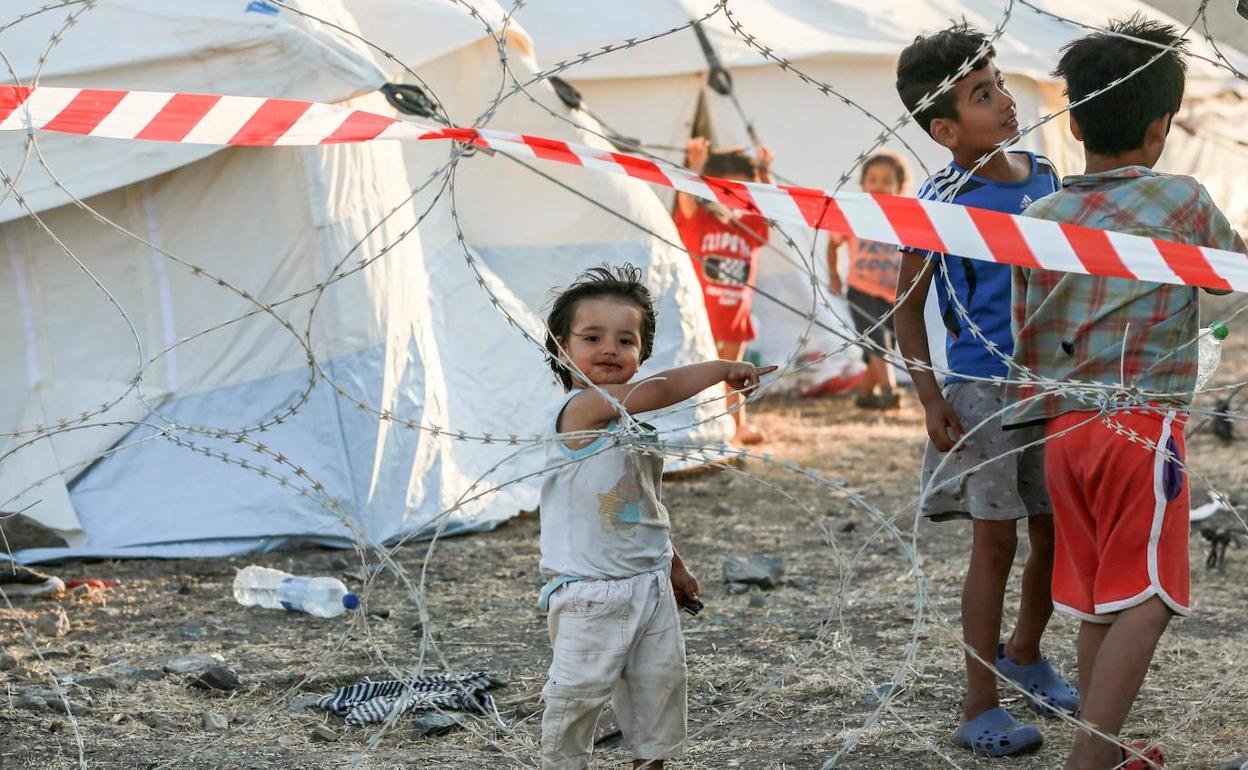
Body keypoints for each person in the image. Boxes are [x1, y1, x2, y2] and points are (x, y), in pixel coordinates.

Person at [1006, 17, 1246, 770]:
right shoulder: (1181, 201)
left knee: (1099, 598)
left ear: (1073, 123)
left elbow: (1024, 324)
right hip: (1139, 427)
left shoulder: (1039, 217)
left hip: (1062, 430)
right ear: (1161, 126)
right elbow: (1230, 274)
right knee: (1149, 597)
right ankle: (1089, 757)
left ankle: (1103, 747)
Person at [891, 22, 1077, 757]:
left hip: (1051, 384)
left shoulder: (1045, 176)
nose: (1003, 100)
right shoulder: (942, 201)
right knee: (995, 544)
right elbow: (906, 309)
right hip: (982, 392)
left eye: (997, 84)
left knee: (1055, 531)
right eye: (980, 95)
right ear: (944, 130)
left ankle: (1026, 652)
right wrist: (929, 396)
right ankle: (979, 703)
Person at [538, 264, 773, 770]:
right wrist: (723, 366)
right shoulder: (580, 412)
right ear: (561, 348)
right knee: (576, 702)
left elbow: (644, 504)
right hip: (592, 594)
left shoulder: (633, 427)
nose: (610, 349)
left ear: (641, 354)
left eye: (626, 340)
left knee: (659, 698)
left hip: (649, 586)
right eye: (592, 337)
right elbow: (660, 391)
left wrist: (672, 564)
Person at [674, 138, 774, 444]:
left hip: (735, 314)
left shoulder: (750, 227)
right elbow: (686, 199)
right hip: (699, 314)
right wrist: (695, 167)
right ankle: (694, 425)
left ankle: (736, 424)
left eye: (742, 191)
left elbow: (769, 207)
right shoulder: (699, 220)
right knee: (696, 374)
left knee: (735, 375)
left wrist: (765, 175)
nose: (734, 198)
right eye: (727, 190)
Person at [826, 153, 909, 409]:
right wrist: (835, 277)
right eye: (872, 180)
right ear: (862, 184)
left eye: (886, 181)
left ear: (899, 187)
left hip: (894, 292)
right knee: (876, 340)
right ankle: (889, 389)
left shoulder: (905, 218)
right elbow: (833, 244)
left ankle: (865, 395)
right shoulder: (854, 214)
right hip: (861, 288)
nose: (878, 185)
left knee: (886, 345)